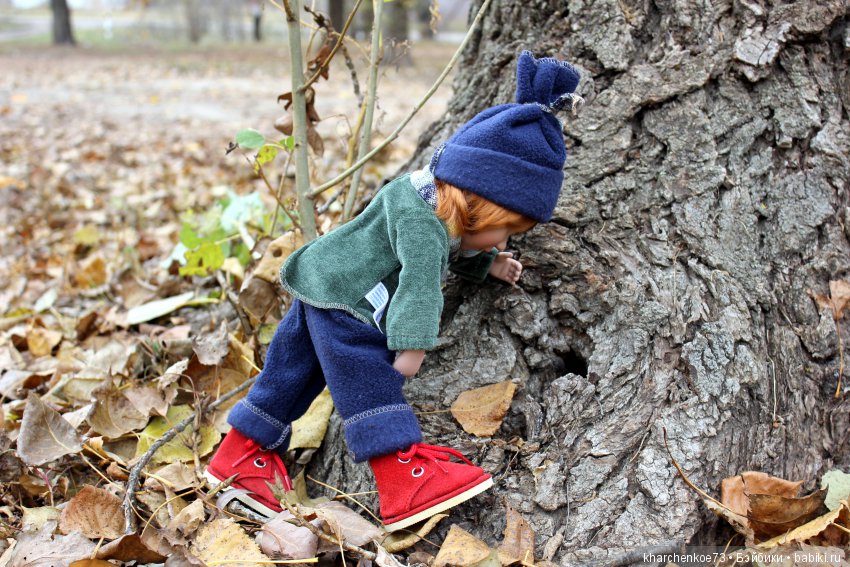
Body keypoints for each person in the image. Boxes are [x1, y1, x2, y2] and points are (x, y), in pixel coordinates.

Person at [205, 51, 581, 532]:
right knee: (368, 379)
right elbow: (420, 283)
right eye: (503, 230)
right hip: (349, 303)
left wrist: (488, 262)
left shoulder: (421, 197)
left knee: (293, 372)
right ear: (479, 205)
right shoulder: (424, 227)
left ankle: (241, 454)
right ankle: (403, 475)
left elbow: (449, 250)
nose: (506, 241)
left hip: (324, 281)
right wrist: (411, 346)